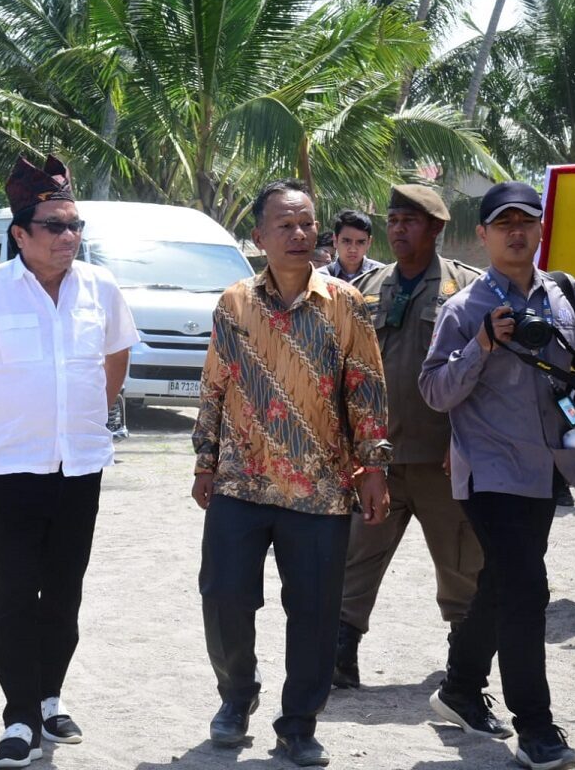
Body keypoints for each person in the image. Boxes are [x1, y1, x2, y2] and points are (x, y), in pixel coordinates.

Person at [0, 155, 138, 769]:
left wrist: (93, 411)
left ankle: (51, 698)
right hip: (13, 468)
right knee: (16, 595)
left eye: (74, 225)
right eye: (54, 226)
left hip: (81, 465)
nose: (68, 236)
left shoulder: (100, 287)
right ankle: (18, 717)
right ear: (20, 233)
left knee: (65, 592)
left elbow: (118, 352)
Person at [191, 179, 391, 768]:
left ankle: (299, 724)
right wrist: (205, 460)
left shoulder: (346, 304)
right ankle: (237, 696)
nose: (299, 234)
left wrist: (374, 468)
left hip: (321, 488)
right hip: (241, 481)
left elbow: (366, 388)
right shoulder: (233, 303)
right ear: (260, 236)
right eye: (285, 224)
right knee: (223, 596)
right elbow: (214, 385)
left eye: (307, 223)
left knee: (314, 611)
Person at [419, 180, 575, 770]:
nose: (515, 232)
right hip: (489, 470)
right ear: (483, 235)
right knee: (528, 590)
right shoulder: (463, 309)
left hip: (550, 464)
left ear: (538, 229)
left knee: (504, 582)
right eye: (503, 223)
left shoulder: (564, 291)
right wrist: (482, 344)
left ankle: (460, 688)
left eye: (525, 222)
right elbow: (434, 391)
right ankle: (536, 728)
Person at [332, 185, 484, 689]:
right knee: (356, 558)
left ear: (436, 228)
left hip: (443, 458)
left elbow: (485, 376)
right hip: (378, 460)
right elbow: (344, 369)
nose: (398, 229)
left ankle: (464, 666)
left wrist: (463, 442)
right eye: (393, 220)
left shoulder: (468, 289)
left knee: (462, 564)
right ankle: (340, 655)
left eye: (410, 221)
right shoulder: (365, 288)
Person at [319, 209, 384, 282]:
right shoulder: (320, 278)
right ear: (335, 240)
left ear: (369, 243)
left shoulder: (381, 276)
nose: (353, 249)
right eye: (347, 241)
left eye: (360, 242)